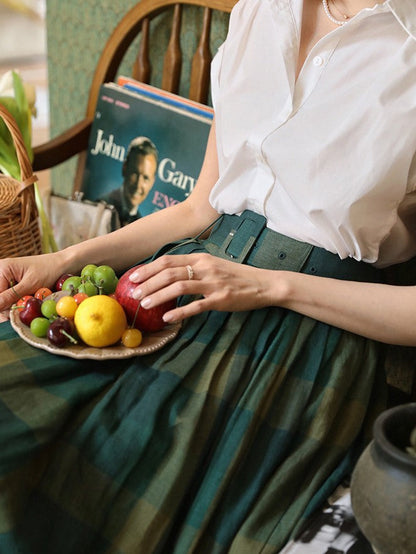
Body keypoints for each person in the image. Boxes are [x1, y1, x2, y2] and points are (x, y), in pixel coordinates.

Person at [0, 0, 415, 552]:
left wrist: (269, 285)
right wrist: (59, 261)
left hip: (305, 337)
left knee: (122, 486)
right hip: (177, 284)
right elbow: (199, 210)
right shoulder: (258, 15)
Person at [99, 136, 158, 226]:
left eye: (145, 178)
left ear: (152, 182)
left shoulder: (141, 225)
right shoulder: (100, 206)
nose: (138, 185)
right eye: (135, 173)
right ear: (124, 169)